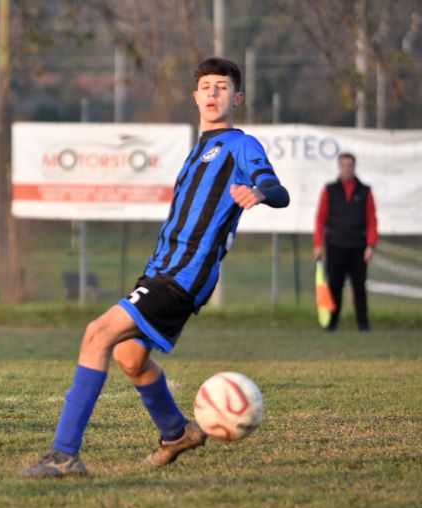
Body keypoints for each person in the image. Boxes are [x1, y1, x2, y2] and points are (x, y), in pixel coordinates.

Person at [20, 57, 290, 478]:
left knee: (97, 334)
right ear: (195, 97)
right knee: (129, 355)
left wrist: (259, 192)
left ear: (237, 98)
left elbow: (277, 189)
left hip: (184, 276)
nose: (213, 93)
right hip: (162, 270)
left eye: (222, 87)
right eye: (206, 86)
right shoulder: (197, 152)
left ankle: (64, 455)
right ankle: (177, 432)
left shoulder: (240, 144)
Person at [314, 153, 378, 331]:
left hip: (358, 247)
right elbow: (320, 219)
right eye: (343, 165)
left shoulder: (365, 191)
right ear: (339, 167)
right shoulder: (329, 190)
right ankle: (331, 324)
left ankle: (363, 324)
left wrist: (371, 245)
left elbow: (372, 220)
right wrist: (318, 245)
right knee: (334, 286)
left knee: (359, 287)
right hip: (335, 246)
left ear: (354, 167)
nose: (347, 168)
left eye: (350, 165)